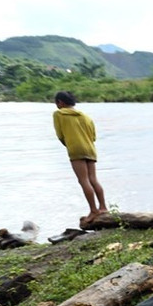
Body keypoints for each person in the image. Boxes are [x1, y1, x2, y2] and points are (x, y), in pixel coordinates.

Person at [52, 91, 107, 224]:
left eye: (57, 103)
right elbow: (93, 136)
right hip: (90, 148)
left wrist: (70, 144)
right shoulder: (86, 117)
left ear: (60, 102)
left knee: (83, 180)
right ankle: (103, 207)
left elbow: (60, 135)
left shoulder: (58, 114)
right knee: (93, 178)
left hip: (76, 149)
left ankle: (93, 210)